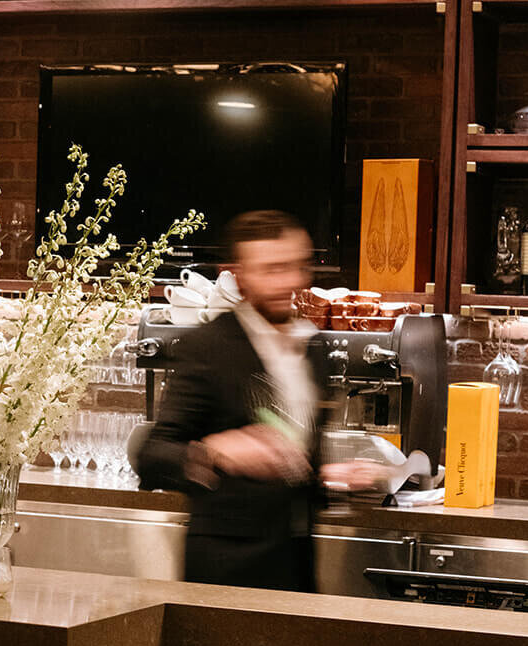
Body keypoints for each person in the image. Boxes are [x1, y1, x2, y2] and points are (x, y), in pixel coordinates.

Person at [135, 210, 381, 592]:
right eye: (272, 269)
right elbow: (151, 456)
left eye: (295, 267)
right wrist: (214, 452)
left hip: (297, 571)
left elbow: (294, 464)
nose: (288, 281)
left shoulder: (314, 346)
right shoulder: (208, 348)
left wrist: (329, 479)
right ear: (238, 275)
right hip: (225, 575)